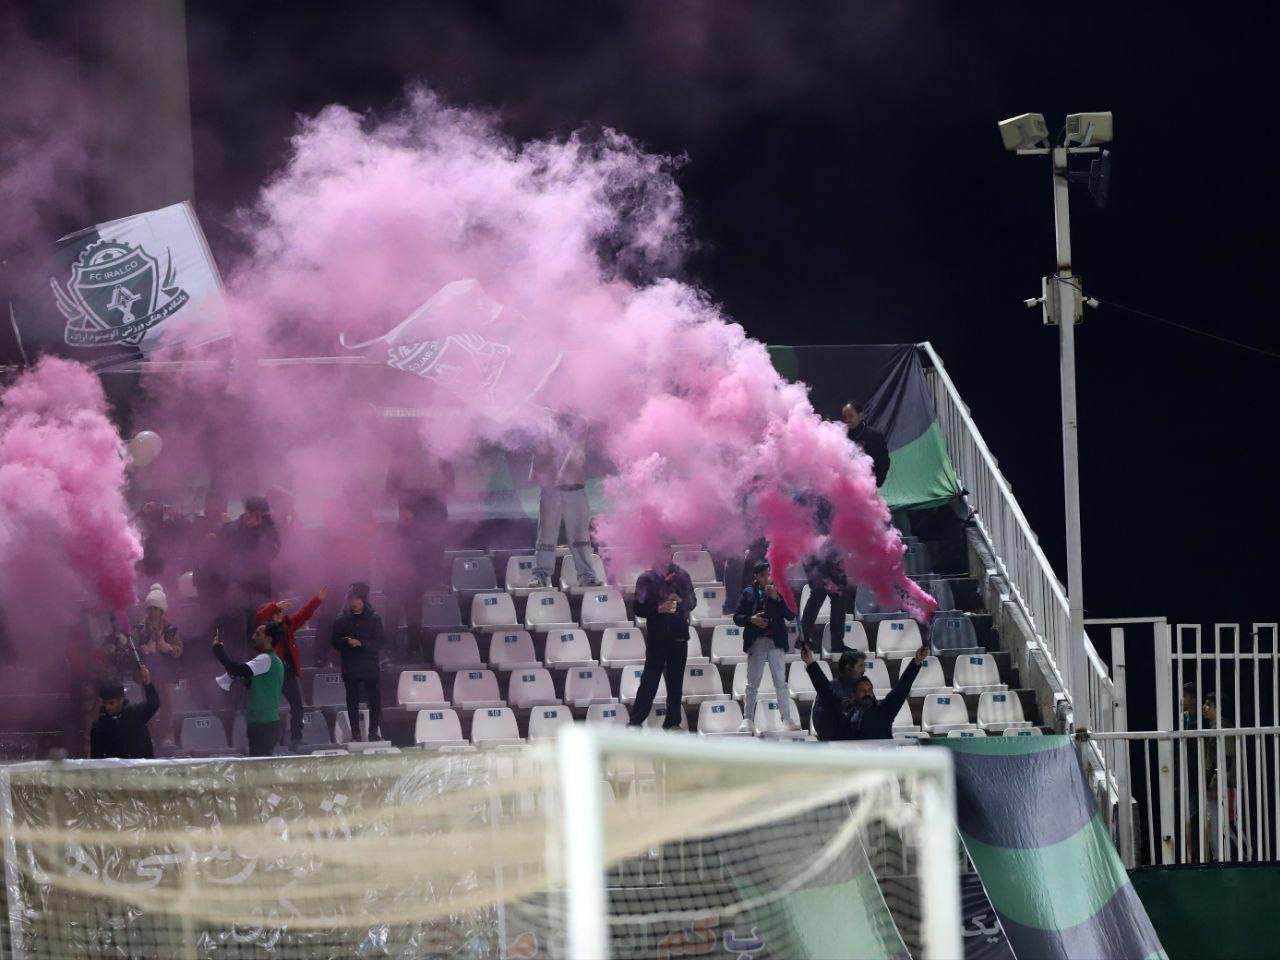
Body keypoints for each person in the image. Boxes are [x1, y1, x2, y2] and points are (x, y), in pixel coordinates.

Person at [801, 642, 926, 740]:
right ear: (854, 695)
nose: (867, 693)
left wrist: (916, 662)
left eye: (870, 690)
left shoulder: (884, 711)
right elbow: (824, 690)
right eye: (862, 690)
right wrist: (810, 663)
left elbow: (902, 688)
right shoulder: (843, 710)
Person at [530, 419, 600, 588]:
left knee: (579, 535)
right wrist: (536, 471)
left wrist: (562, 475)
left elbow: (577, 449)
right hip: (550, 488)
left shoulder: (579, 421)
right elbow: (539, 449)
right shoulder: (546, 422)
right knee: (546, 534)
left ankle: (586, 576)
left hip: (573, 487)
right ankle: (540, 575)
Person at [733, 560, 799, 734]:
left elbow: (791, 615)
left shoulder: (781, 590)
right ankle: (748, 718)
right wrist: (751, 619)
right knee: (752, 682)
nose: (767, 578)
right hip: (757, 640)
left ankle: (786, 718)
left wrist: (777, 598)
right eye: (762, 575)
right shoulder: (748, 592)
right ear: (755, 576)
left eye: (769, 574)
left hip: (776, 641)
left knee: (780, 682)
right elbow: (737, 617)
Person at [256, 587, 327, 749]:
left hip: (287, 673)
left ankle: (296, 738)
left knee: (297, 706)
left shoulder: (288, 626)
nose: (280, 615)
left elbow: (304, 614)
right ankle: (269, 740)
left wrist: (317, 600)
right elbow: (260, 616)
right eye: (276, 613)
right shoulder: (264, 630)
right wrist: (274, 606)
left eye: (280, 613)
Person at [629, 562, 697, 730]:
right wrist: (658, 608)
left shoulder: (683, 576)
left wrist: (680, 601)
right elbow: (637, 608)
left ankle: (673, 722)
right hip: (657, 638)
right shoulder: (646, 578)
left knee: (676, 683)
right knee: (649, 681)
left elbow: (692, 602)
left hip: (679, 636)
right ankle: (636, 721)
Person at [213, 621, 285, 757]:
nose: (253, 637)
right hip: (265, 723)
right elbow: (254, 684)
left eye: (258, 634)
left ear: (268, 639)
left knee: (259, 766)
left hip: (263, 724)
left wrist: (219, 651)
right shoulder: (274, 660)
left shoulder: (265, 659)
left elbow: (237, 669)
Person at [217, 495, 281, 646]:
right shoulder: (234, 528)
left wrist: (260, 530)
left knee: (260, 636)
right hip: (238, 591)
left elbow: (271, 553)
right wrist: (246, 530)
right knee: (238, 638)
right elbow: (226, 550)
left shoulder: (268, 530)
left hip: (260, 590)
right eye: (253, 513)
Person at [331, 582, 386, 741]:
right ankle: (355, 733)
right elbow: (335, 641)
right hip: (350, 665)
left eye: (357, 598)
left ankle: (373, 732)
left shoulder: (374, 618)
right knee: (352, 699)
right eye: (351, 598)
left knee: (374, 700)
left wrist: (362, 644)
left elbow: (380, 641)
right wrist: (346, 642)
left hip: (369, 665)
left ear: (363, 599)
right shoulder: (342, 618)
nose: (353, 602)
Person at [133, 583, 183, 751]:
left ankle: (167, 738)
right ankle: (151, 738)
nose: (152, 611)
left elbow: (179, 650)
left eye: (156, 608)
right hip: (148, 673)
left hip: (166, 673)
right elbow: (132, 648)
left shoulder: (170, 628)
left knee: (167, 706)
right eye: (150, 608)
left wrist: (168, 648)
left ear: (162, 610)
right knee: (150, 706)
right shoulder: (140, 628)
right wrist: (143, 649)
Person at [90, 665, 160, 759]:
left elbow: (154, 703)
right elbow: (96, 757)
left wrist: (148, 684)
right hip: (117, 768)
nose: (107, 707)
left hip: (142, 766)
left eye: (111, 703)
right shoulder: (99, 726)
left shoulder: (136, 713)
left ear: (121, 699)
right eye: (105, 703)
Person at [809, 649, 868, 741]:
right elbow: (820, 723)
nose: (864, 670)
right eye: (860, 666)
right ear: (848, 667)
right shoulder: (830, 690)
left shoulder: (864, 689)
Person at [842, 401, 891, 488]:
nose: (847, 420)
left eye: (851, 416)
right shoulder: (841, 435)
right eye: (845, 417)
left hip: (867, 488)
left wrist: (874, 484)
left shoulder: (874, 436)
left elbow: (883, 462)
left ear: (860, 416)